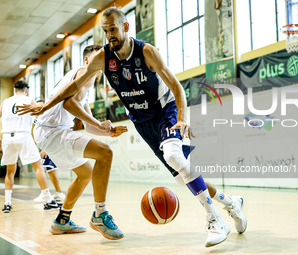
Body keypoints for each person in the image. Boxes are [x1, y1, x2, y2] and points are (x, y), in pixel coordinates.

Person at [17, 7, 246, 247]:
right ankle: (230, 202)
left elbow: (177, 87)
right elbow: (72, 89)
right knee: (180, 175)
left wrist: (182, 118)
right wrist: (45, 106)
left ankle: (215, 219)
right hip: (142, 121)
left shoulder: (146, 52)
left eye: (113, 29)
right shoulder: (102, 58)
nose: (110, 35)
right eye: (105, 31)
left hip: (164, 111)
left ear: (126, 27)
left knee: (174, 156)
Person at [32, 45, 128, 238]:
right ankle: (100, 215)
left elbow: (88, 126)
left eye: (102, 57)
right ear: (86, 60)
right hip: (52, 131)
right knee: (105, 153)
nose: (100, 60)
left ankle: (62, 221)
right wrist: (100, 124)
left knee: (86, 173)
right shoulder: (82, 73)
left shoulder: (88, 82)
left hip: (51, 132)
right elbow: (69, 104)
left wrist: (107, 130)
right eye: (96, 57)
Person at [0, 81, 60, 213]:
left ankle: (7, 204)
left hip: (7, 137)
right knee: (38, 166)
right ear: (26, 90)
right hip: (23, 135)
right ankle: (48, 200)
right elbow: (41, 116)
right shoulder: (29, 100)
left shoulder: (5, 102)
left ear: (14, 90)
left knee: (10, 171)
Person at [33, 100, 65, 203]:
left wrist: (44, 149)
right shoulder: (37, 120)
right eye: (36, 107)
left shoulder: (48, 118)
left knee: (50, 170)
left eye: (40, 106)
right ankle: (47, 193)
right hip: (43, 147)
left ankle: (57, 193)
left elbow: (50, 133)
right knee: (46, 171)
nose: (38, 109)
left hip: (49, 147)